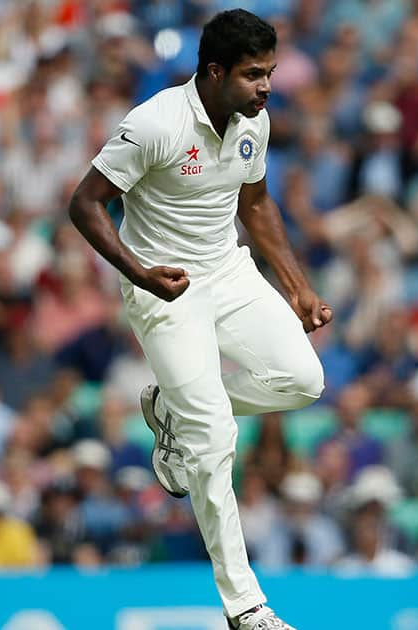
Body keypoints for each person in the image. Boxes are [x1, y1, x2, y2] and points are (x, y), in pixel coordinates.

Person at [67, 10, 330, 629]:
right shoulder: (156, 122)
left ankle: (170, 407)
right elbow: (85, 204)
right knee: (214, 440)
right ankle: (247, 608)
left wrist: (296, 286)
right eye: (253, 75)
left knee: (303, 381)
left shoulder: (253, 123)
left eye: (269, 73)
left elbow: (256, 202)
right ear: (214, 71)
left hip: (229, 273)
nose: (267, 87)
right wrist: (139, 274)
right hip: (165, 287)